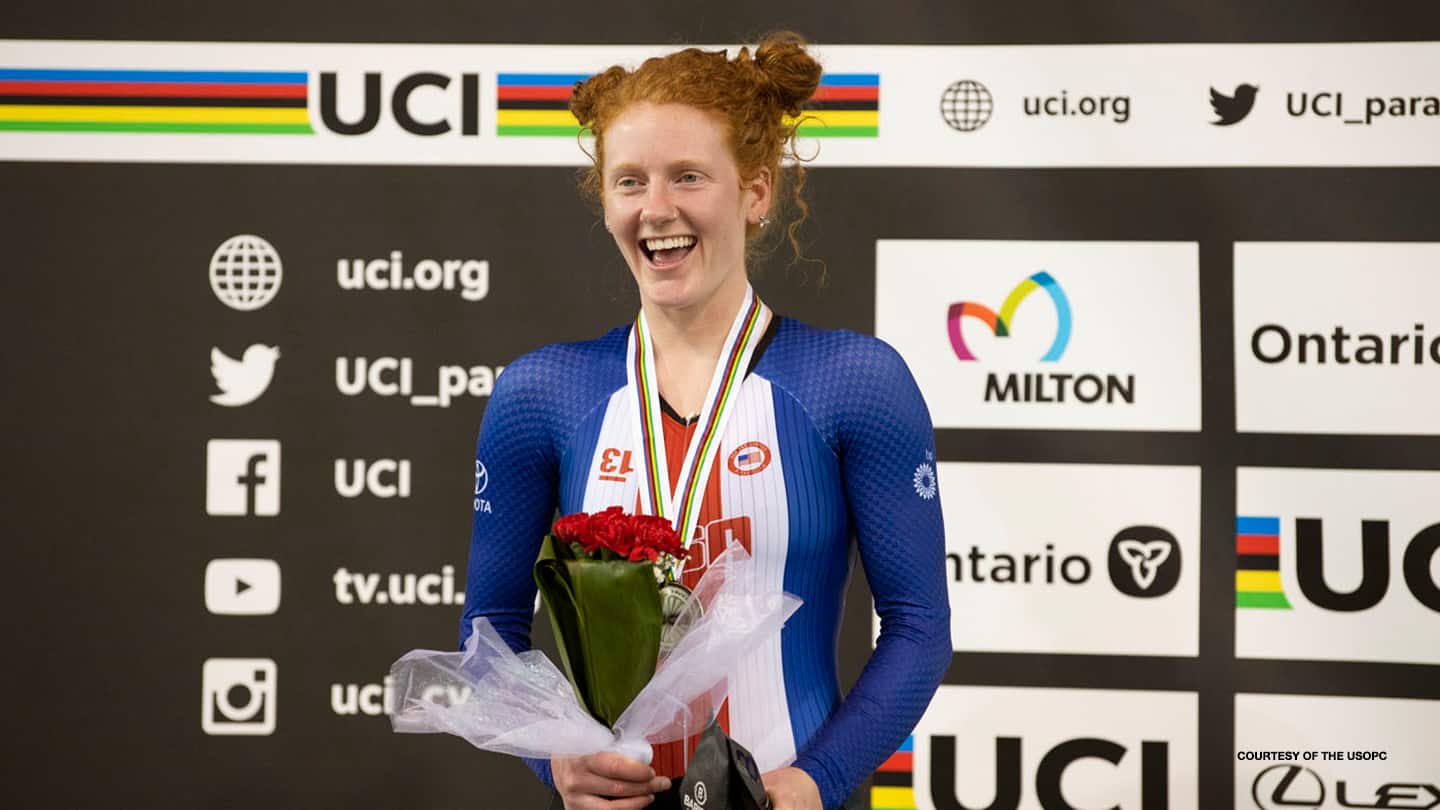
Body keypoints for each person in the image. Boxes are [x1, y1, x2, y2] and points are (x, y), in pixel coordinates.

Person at [461, 33, 950, 810]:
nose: (657, 209)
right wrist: (555, 761)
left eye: (688, 176)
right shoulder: (542, 392)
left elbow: (921, 629)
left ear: (755, 192)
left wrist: (812, 784)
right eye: (629, 181)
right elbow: (488, 631)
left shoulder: (852, 382)